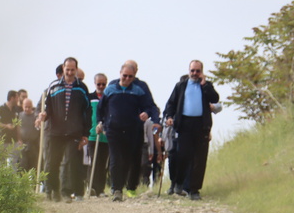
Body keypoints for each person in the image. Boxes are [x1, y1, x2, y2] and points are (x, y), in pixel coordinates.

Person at [97, 60, 160, 202]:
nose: (127, 79)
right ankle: (117, 189)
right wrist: (101, 123)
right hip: (113, 130)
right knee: (115, 158)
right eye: (124, 75)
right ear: (120, 73)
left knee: (130, 160)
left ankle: (131, 187)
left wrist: (147, 114)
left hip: (133, 130)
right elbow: (101, 108)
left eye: (130, 76)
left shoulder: (139, 88)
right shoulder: (110, 88)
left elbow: (149, 106)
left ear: (135, 75)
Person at [164, 60, 220, 200]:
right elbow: (171, 103)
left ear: (201, 72)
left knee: (199, 159)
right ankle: (179, 183)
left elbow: (215, 98)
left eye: (197, 71)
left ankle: (194, 190)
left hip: (201, 125)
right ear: (189, 71)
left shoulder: (206, 86)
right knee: (183, 156)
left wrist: (205, 85)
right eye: (192, 71)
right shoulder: (181, 86)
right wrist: (169, 116)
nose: (195, 73)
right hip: (184, 124)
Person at [38, 57, 91, 202]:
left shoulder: (82, 88)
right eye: (67, 69)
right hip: (55, 131)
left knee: (69, 161)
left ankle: (66, 192)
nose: (69, 72)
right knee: (52, 162)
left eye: (72, 70)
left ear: (76, 69)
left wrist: (86, 133)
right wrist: (44, 115)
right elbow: (48, 107)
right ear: (63, 68)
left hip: (74, 131)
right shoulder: (54, 86)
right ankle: (51, 190)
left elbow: (87, 111)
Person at [87, 73, 110, 196]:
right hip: (92, 135)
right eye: (98, 84)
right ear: (95, 83)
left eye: (103, 84)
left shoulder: (109, 98)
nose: (101, 86)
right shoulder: (90, 97)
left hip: (106, 136)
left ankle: (100, 189)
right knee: (93, 161)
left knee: (103, 164)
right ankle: (91, 186)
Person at [0, 90, 21, 168]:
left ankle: (13, 180)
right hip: (3, 141)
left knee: (14, 163)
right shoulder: (0, 109)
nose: (18, 100)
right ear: (12, 98)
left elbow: (18, 125)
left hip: (14, 141)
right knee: (1, 163)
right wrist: (7, 126)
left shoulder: (16, 110)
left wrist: (19, 139)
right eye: (17, 97)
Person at [17, 97, 39, 171]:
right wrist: (19, 139)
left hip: (34, 144)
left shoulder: (35, 116)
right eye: (25, 107)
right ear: (23, 106)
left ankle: (34, 182)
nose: (27, 109)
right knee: (23, 165)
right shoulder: (20, 115)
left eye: (29, 107)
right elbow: (17, 128)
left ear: (32, 106)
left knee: (34, 165)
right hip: (23, 143)